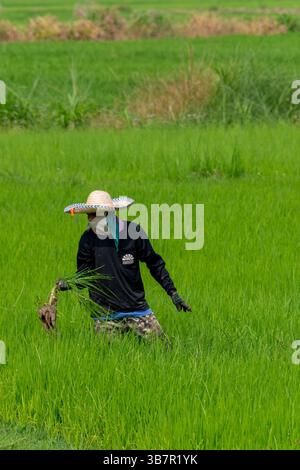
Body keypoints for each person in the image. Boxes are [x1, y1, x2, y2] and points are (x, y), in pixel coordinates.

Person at [57, 190, 191, 340]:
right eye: (88, 214)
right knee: (105, 358)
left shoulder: (133, 233)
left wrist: (172, 293)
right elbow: (84, 276)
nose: (89, 219)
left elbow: (154, 264)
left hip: (137, 309)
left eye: (94, 214)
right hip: (105, 315)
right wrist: (70, 283)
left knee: (163, 350)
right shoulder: (87, 240)